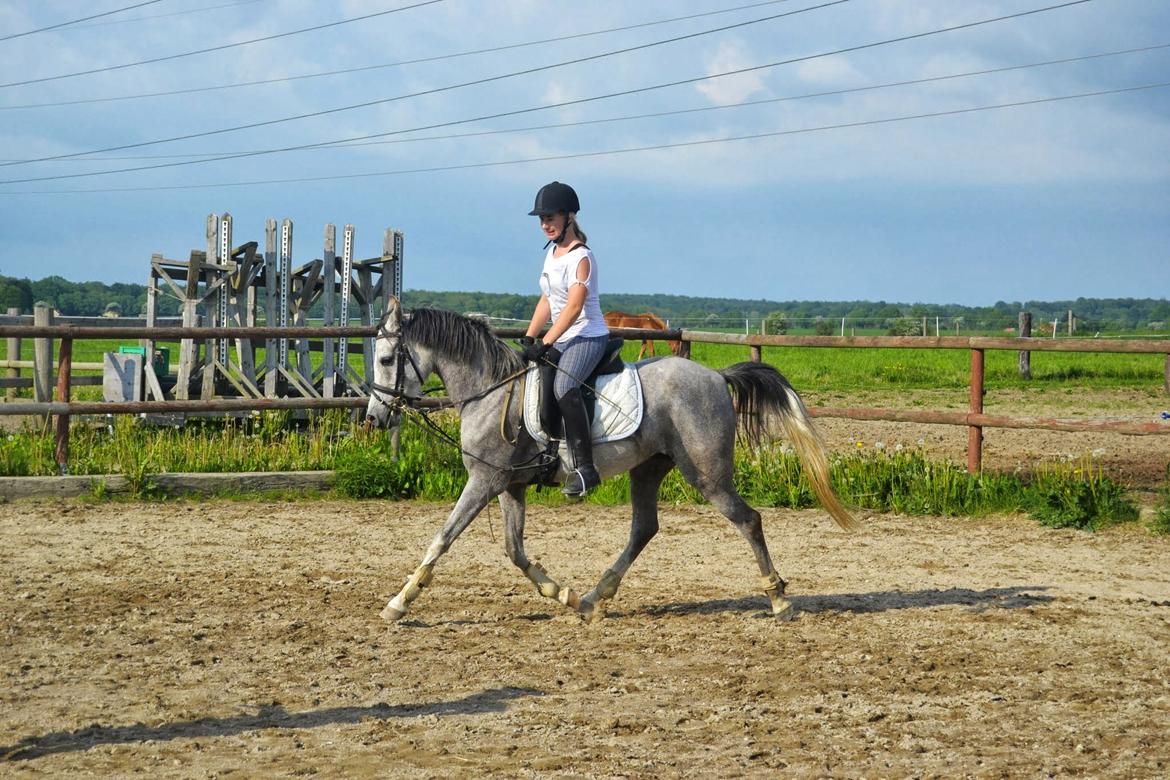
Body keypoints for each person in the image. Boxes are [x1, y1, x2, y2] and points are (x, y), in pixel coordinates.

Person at [521, 181, 609, 496]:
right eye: (542, 219)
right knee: (537, 377)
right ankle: (549, 454)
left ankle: (586, 469)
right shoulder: (553, 254)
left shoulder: (581, 256)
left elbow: (573, 308)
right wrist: (530, 337)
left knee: (564, 385)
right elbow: (547, 300)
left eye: (551, 217)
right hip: (563, 335)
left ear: (569, 217)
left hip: (588, 334)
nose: (545, 224)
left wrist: (546, 342)